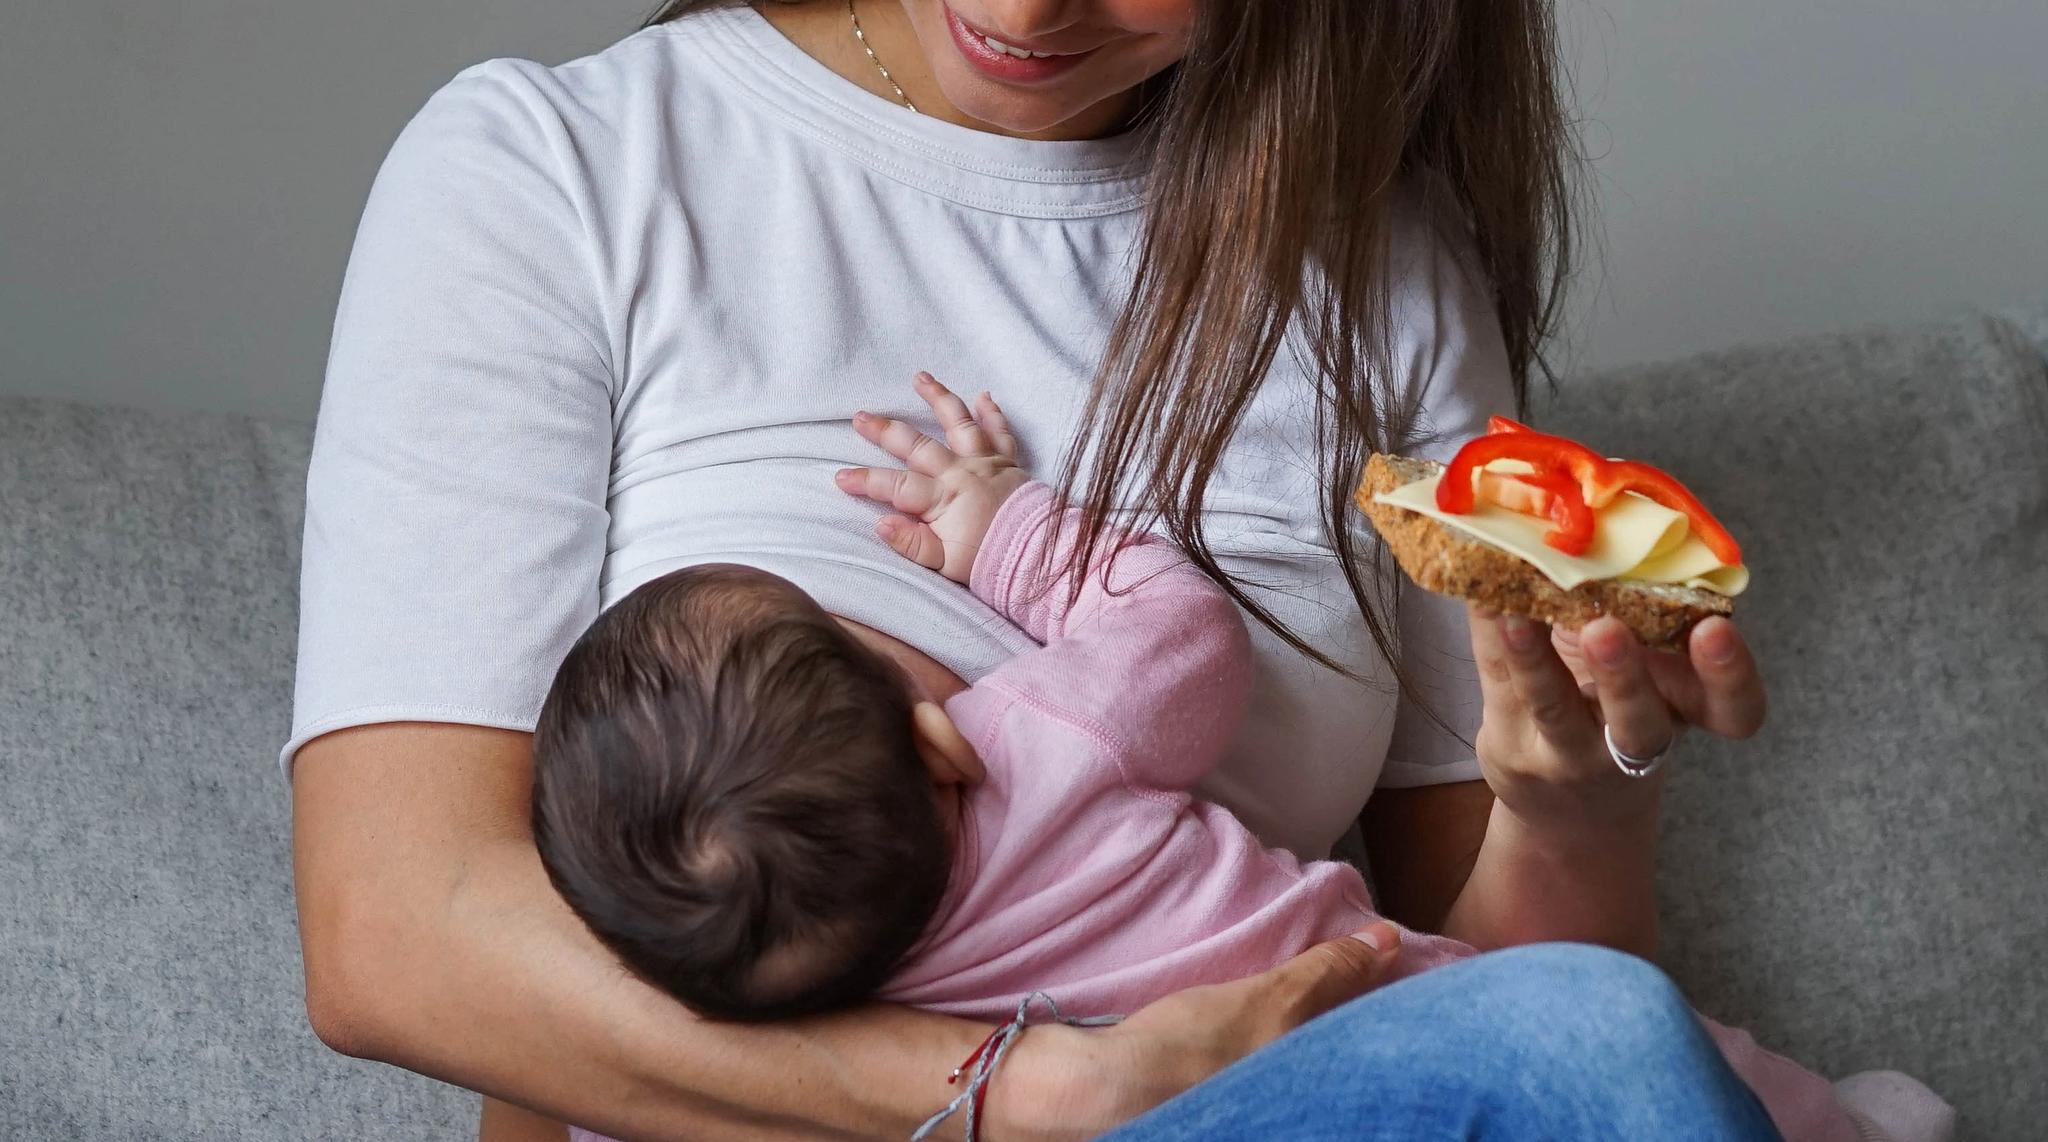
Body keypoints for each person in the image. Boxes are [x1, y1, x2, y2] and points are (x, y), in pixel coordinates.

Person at [288, 0, 1796, 1138]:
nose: (1018, 5)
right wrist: (1023, 1094)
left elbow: (1495, 1033)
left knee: (1598, 1037)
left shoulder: (1380, 271)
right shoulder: (566, 171)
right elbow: (397, 941)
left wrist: (1576, 807)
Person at [535, 377, 1937, 1142]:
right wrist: (1009, 533)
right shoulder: (1034, 742)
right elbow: (1179, 633)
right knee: (1606, 1034)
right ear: (932, 739)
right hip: (1361, 1029)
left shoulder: (781, 987)